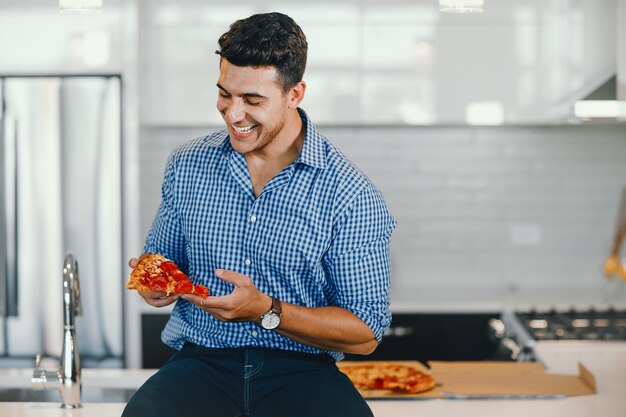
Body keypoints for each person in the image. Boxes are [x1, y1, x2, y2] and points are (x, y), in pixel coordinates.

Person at [122, 12, 396, 417]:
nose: (233, 114)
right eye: (225, 94)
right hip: (200, 362)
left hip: (303, 371)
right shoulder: (188, 165)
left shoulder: (350, 195)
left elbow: (365, 332)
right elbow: (159, 259)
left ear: (295, 94)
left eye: (253, 100)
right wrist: (154, 281)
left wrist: (266, 309)